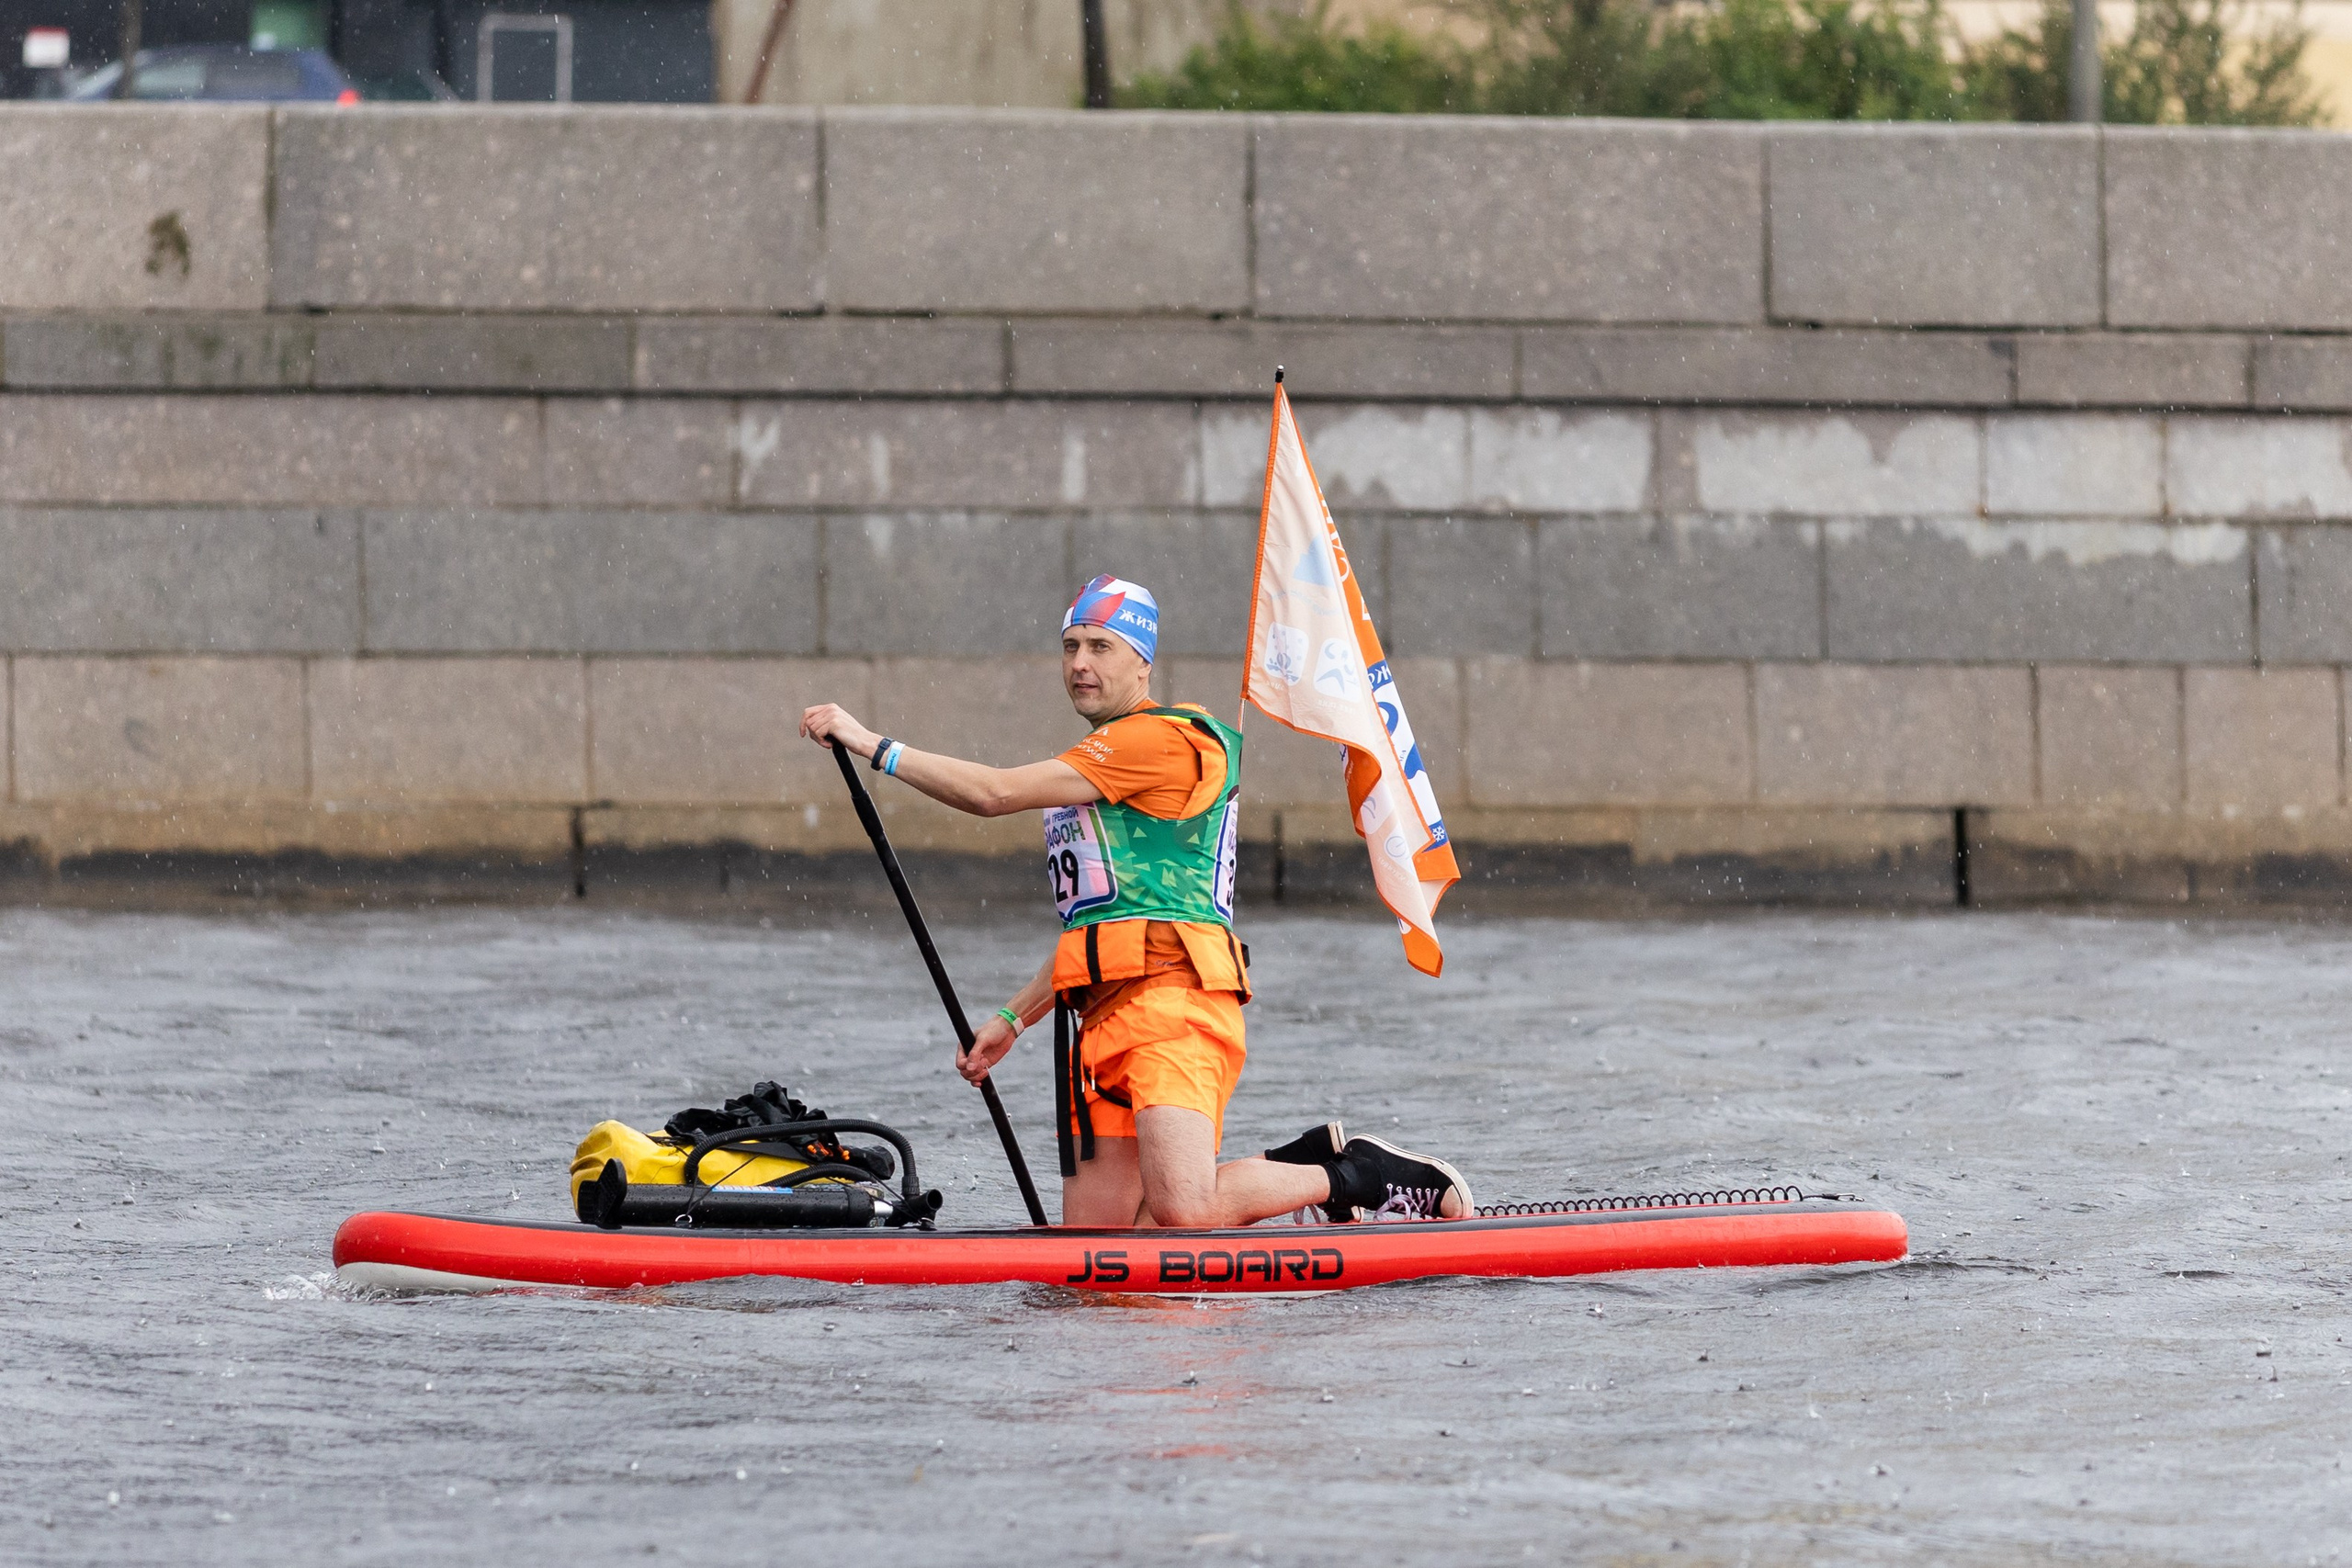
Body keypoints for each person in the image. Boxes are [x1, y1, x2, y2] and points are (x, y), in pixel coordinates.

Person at [798, 574, 1474, 1230]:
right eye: (1071, 646)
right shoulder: (1098, 759)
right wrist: (1013, 1017)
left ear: (1143, 661)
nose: (1080, 664)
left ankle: (1360, 1172)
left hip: (1174, 1006)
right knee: (1105, 1243)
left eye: (1101, 646)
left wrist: (872, 745)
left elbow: (992, 794)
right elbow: (1096, 926)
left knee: (1185, 1208)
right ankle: (1292, 1164)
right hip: (1102, 1023)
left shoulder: (1154, 740)